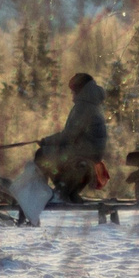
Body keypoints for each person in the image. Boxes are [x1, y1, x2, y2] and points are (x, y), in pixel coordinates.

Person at [34, 71, 110, 201]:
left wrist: (47, 141)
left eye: (73, 90)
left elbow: (69, 136)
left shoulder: (83, 106)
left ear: (79, 89)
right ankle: (68, 190)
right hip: (91, 150)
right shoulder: (93, 104)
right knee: (54, 153)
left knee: (41, 154)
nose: (72, 94)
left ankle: (50, 192)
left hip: (84, 150)